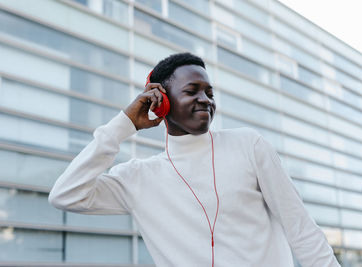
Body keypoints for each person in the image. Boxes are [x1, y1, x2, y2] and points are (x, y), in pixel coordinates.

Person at [48, 52, 341, 267]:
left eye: (210, 93)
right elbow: (66, 195)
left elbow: (300, 228)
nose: (206, 100)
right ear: (160, 102)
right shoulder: (138, 177)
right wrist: (124, 124)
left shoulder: (249, 145)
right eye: (192, 91)